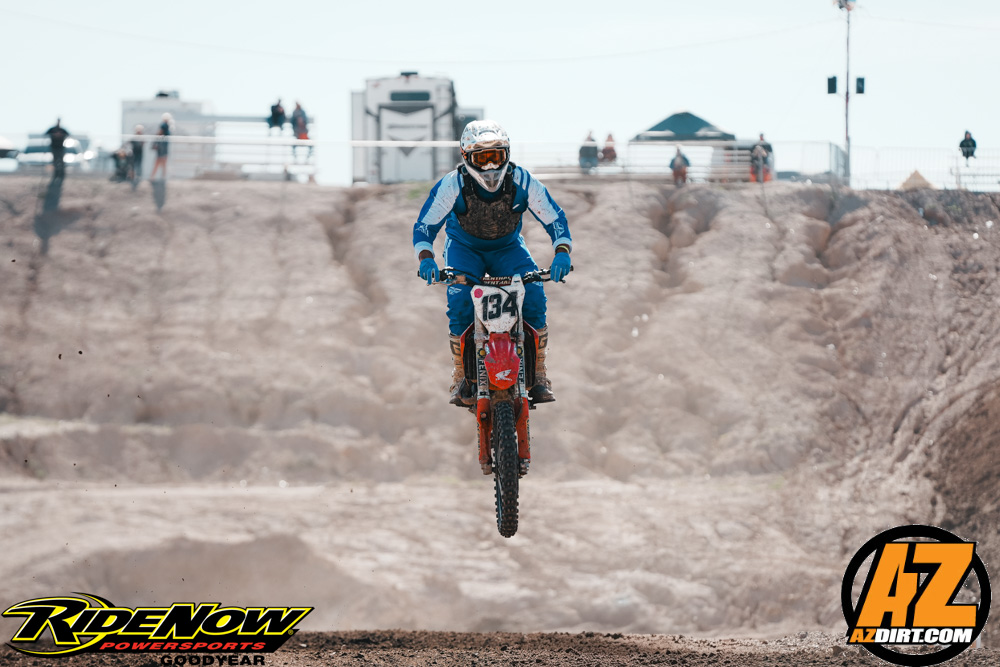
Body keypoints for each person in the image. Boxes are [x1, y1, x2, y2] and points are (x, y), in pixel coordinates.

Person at [414, 120, 573, 406]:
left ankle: (539, 372)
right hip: (464, 248)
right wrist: (426, 258)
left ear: (507, 155)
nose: (489, 167)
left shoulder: (523, 180)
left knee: (534, 293)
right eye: (482, 158)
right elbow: (425, 226)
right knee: (460, 300)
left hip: (508, 248)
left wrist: (562, 251)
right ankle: (460, 374)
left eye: (495, 156)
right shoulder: (452, 184)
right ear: (466, 157)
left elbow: (554, 217)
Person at [150, 113, 172, 181]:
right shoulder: (164, 125)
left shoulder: (167, 126)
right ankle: (153, 177)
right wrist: (155, 144)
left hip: (164, 147)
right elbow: (159, 133)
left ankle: (162, 177)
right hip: (162, 147)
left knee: (163, 163)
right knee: (159, 162)